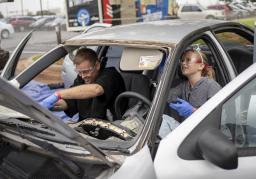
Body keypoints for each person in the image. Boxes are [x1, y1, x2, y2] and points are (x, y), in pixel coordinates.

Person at [39, 48, 126, 121]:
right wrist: (50, 106)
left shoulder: (110, 75)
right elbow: (68, 103)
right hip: (86, 130)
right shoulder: (80, 79)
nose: (83, 76)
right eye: (79, 72)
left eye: (86, 71)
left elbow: (96, 90)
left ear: (97, 65)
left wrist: (58, 94)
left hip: (113, 131)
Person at [159, 46, 221, 138]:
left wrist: (193, 111)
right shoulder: (183, 86)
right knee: (161, 120)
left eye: (188, 60)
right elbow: (166, 96)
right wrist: (163, 73)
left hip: (205, 134)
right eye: (182, 60)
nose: (183, 63)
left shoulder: (211, 86)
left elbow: (217, 116)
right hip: (187, 131)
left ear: (201, 66)